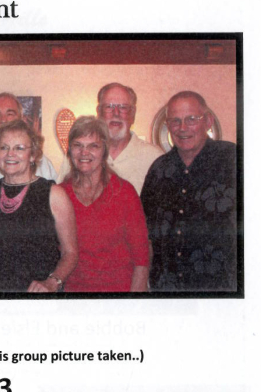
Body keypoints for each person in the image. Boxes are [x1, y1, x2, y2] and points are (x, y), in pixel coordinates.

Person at [141, 91, 237, 292]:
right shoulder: (158, 169)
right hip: (167, 289)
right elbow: (145, 233)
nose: (182, 128)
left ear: (208, 121)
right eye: (175, 121)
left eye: (191, 119)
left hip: (221, 290)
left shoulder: (234, 160)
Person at [0, 119, 77, 292]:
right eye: (4, 147)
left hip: (37, 298)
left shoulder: (53, 194)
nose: (10, 154)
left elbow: (70, 253)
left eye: (19, 148)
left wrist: (52, 282)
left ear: (33, 155)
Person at [60, 116, 150, 293]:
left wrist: (135, 302)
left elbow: (142, 258)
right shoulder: (60, 194)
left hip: (118, 295)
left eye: (93, 146)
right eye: (78, 145)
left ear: (104, 151)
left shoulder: (124, 193)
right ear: (69, 150)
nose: (84, 152)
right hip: (74, 295)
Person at [57, 83, 162, 194]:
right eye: (109, 107)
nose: (116, 113)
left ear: (133, 114)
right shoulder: (79, 156)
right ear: (99, 112)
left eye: (123, 107)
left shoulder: (154, 158)